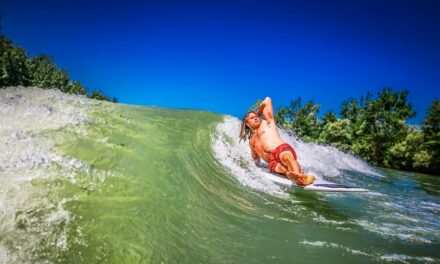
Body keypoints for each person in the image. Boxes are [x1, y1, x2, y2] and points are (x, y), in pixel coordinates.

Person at [239, 97, 315, 186]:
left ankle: (298, 176)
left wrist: (258, 113)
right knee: (281, 169)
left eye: (256, 117)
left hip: (280, 149)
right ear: (247, 124)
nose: (256, 118)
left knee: (287, 158)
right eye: (252, 118)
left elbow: (267, 100)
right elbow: (255, 159)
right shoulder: (252, 142)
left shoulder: (267, 122)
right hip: (272, 161)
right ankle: (297, 175)